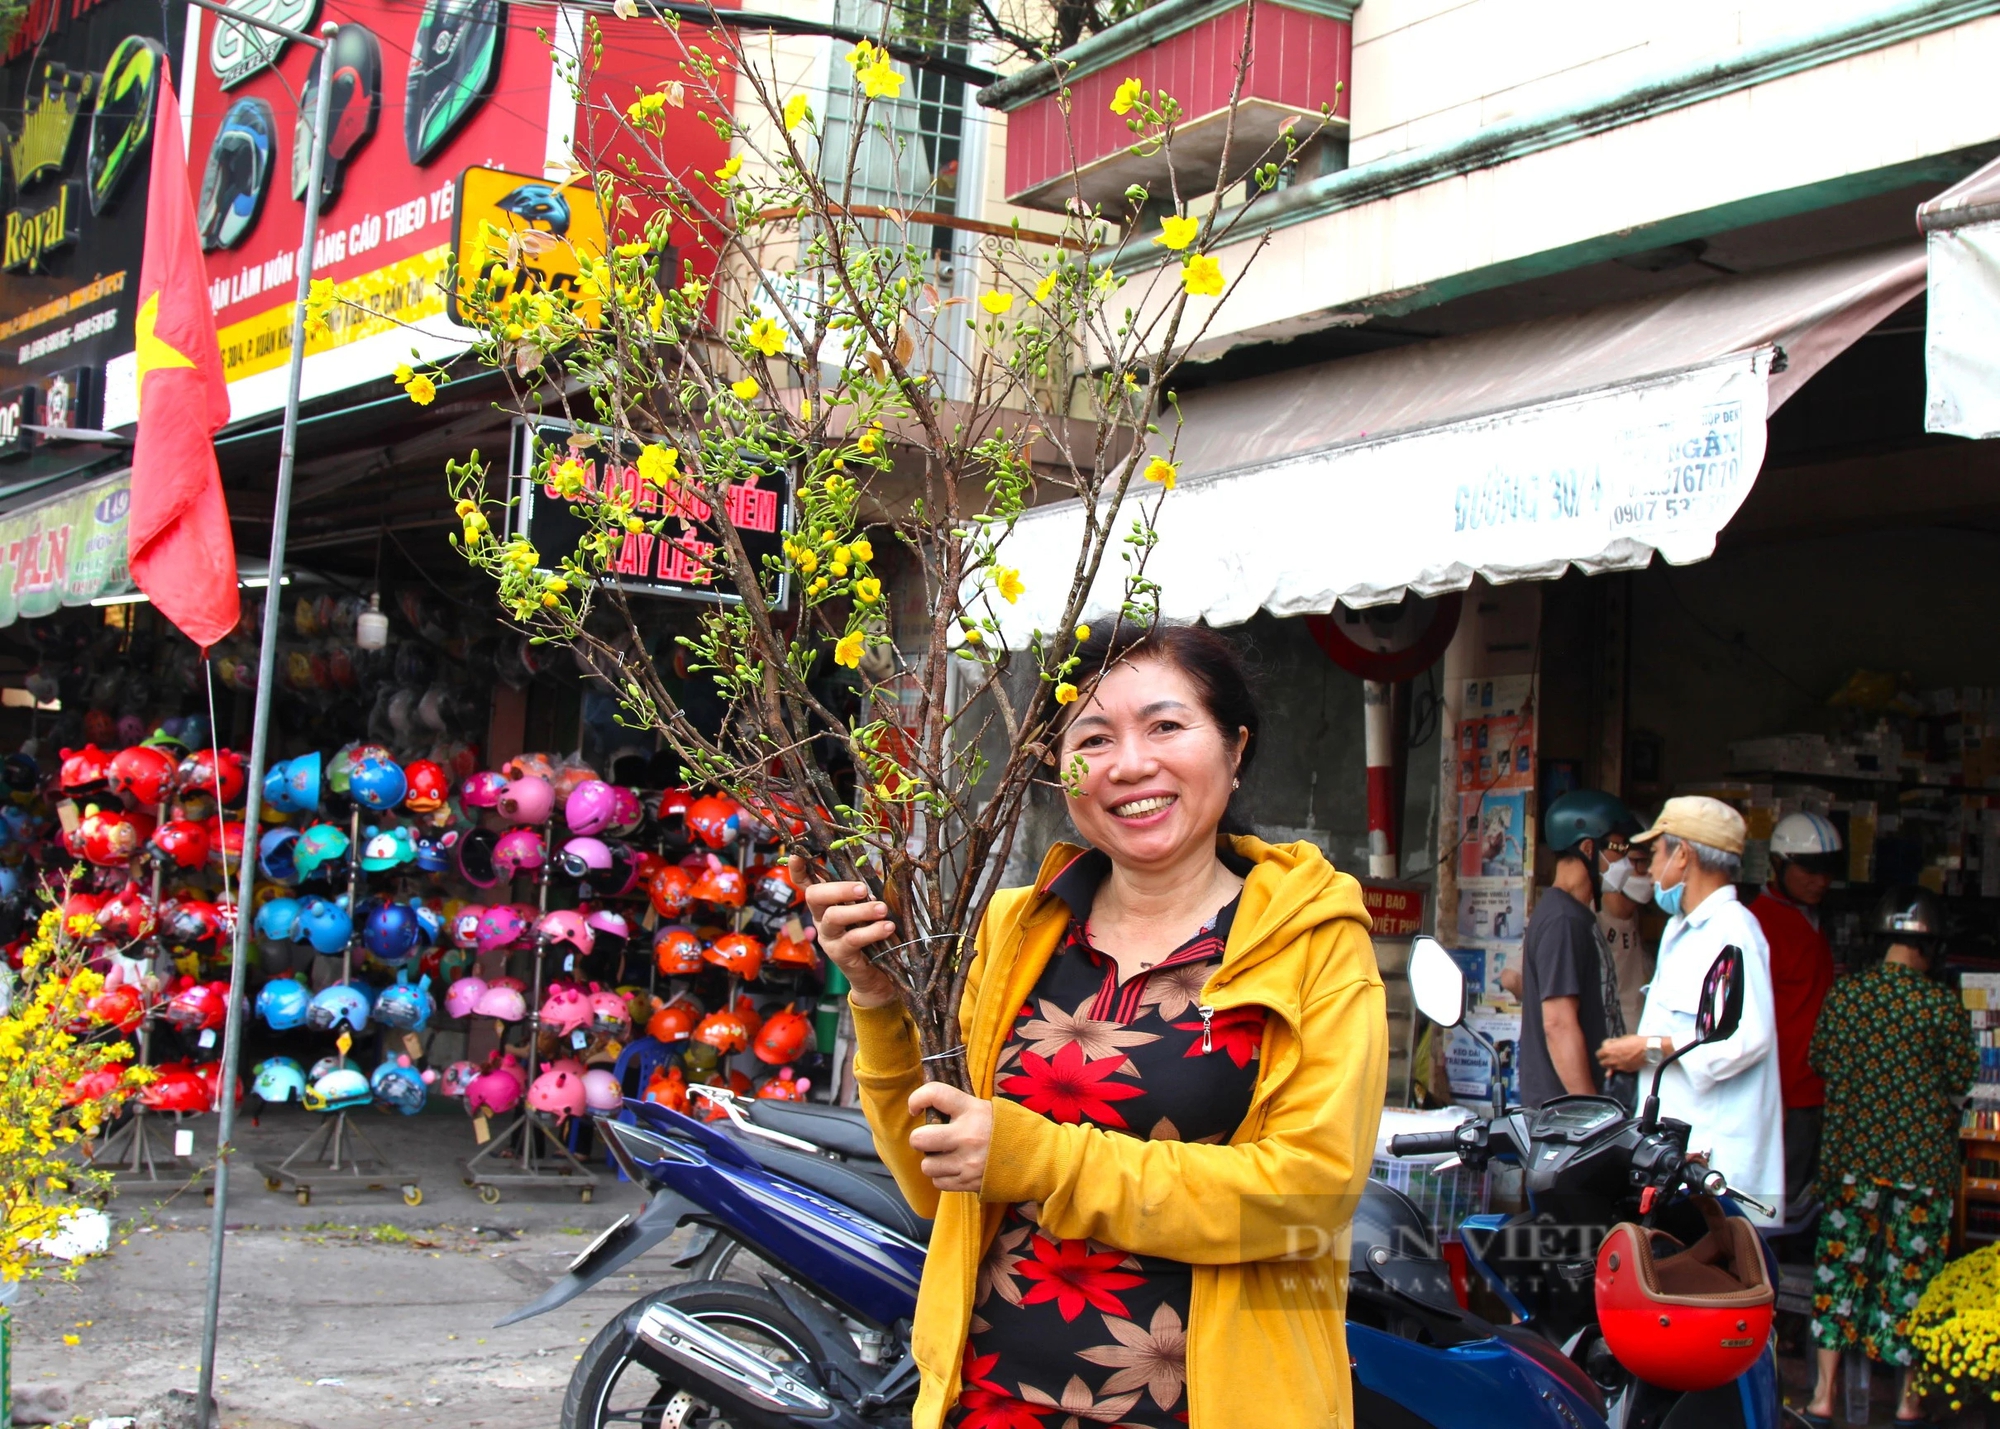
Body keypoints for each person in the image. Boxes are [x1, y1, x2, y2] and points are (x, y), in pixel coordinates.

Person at [804, 622, 1386, 1429]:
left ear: (1235, 745)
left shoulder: (1313, 942)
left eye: (1166, 725)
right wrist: (876, 1000)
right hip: (993, 1403)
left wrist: (1039, 1159)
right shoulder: (1019, 931)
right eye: (1093, 736)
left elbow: (1305, 1197)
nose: (1130, 763)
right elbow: (937, 1187)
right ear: (1054, 763)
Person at [1801, 887, 1977, 1428]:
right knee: (1912, 1284)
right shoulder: (1940, 1005)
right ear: (1930, 948)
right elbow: (1961, 1078)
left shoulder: (1847, 997)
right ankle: (1907, 1402)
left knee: (1838, 1277)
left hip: (1852, 1159)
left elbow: (1820, 1060)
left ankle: (1823, 1396)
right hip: (1922, 1169)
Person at [1596, 796, 1785, 1222]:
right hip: (1677, 1160)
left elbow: (1744, 1037)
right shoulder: (1680, 928)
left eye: (1657, 852)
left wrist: (1648, 1048)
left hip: (1718, 1165)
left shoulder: (1734, 930)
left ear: (1683, 855)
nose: (1649, 868)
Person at [1752, 811, 1844, 1218]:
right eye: (1809, 869)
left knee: (1806, 1199)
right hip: (1785, 1090)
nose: (1820, 881)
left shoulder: (1813, 918)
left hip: (1817, 1085)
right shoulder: (1759, 924)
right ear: (1779, 865)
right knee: (1779, 1200)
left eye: (1827, 871)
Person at [1513, 789, 1628, 1108]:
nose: (1626, 861)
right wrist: (1593, 1112)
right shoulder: (1563, 921)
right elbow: (1558, 1023)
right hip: (1566, 1120)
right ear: (1589, 848)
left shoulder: (1571, 915)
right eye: (1618, 848)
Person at [1598, 834, 1654, 1035]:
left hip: (1636, 1048)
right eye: (1639, 861)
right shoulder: (1587, 920)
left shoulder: (1635, 918)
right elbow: (1513, 979)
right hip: (1606, 1051)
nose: (1648, 871)